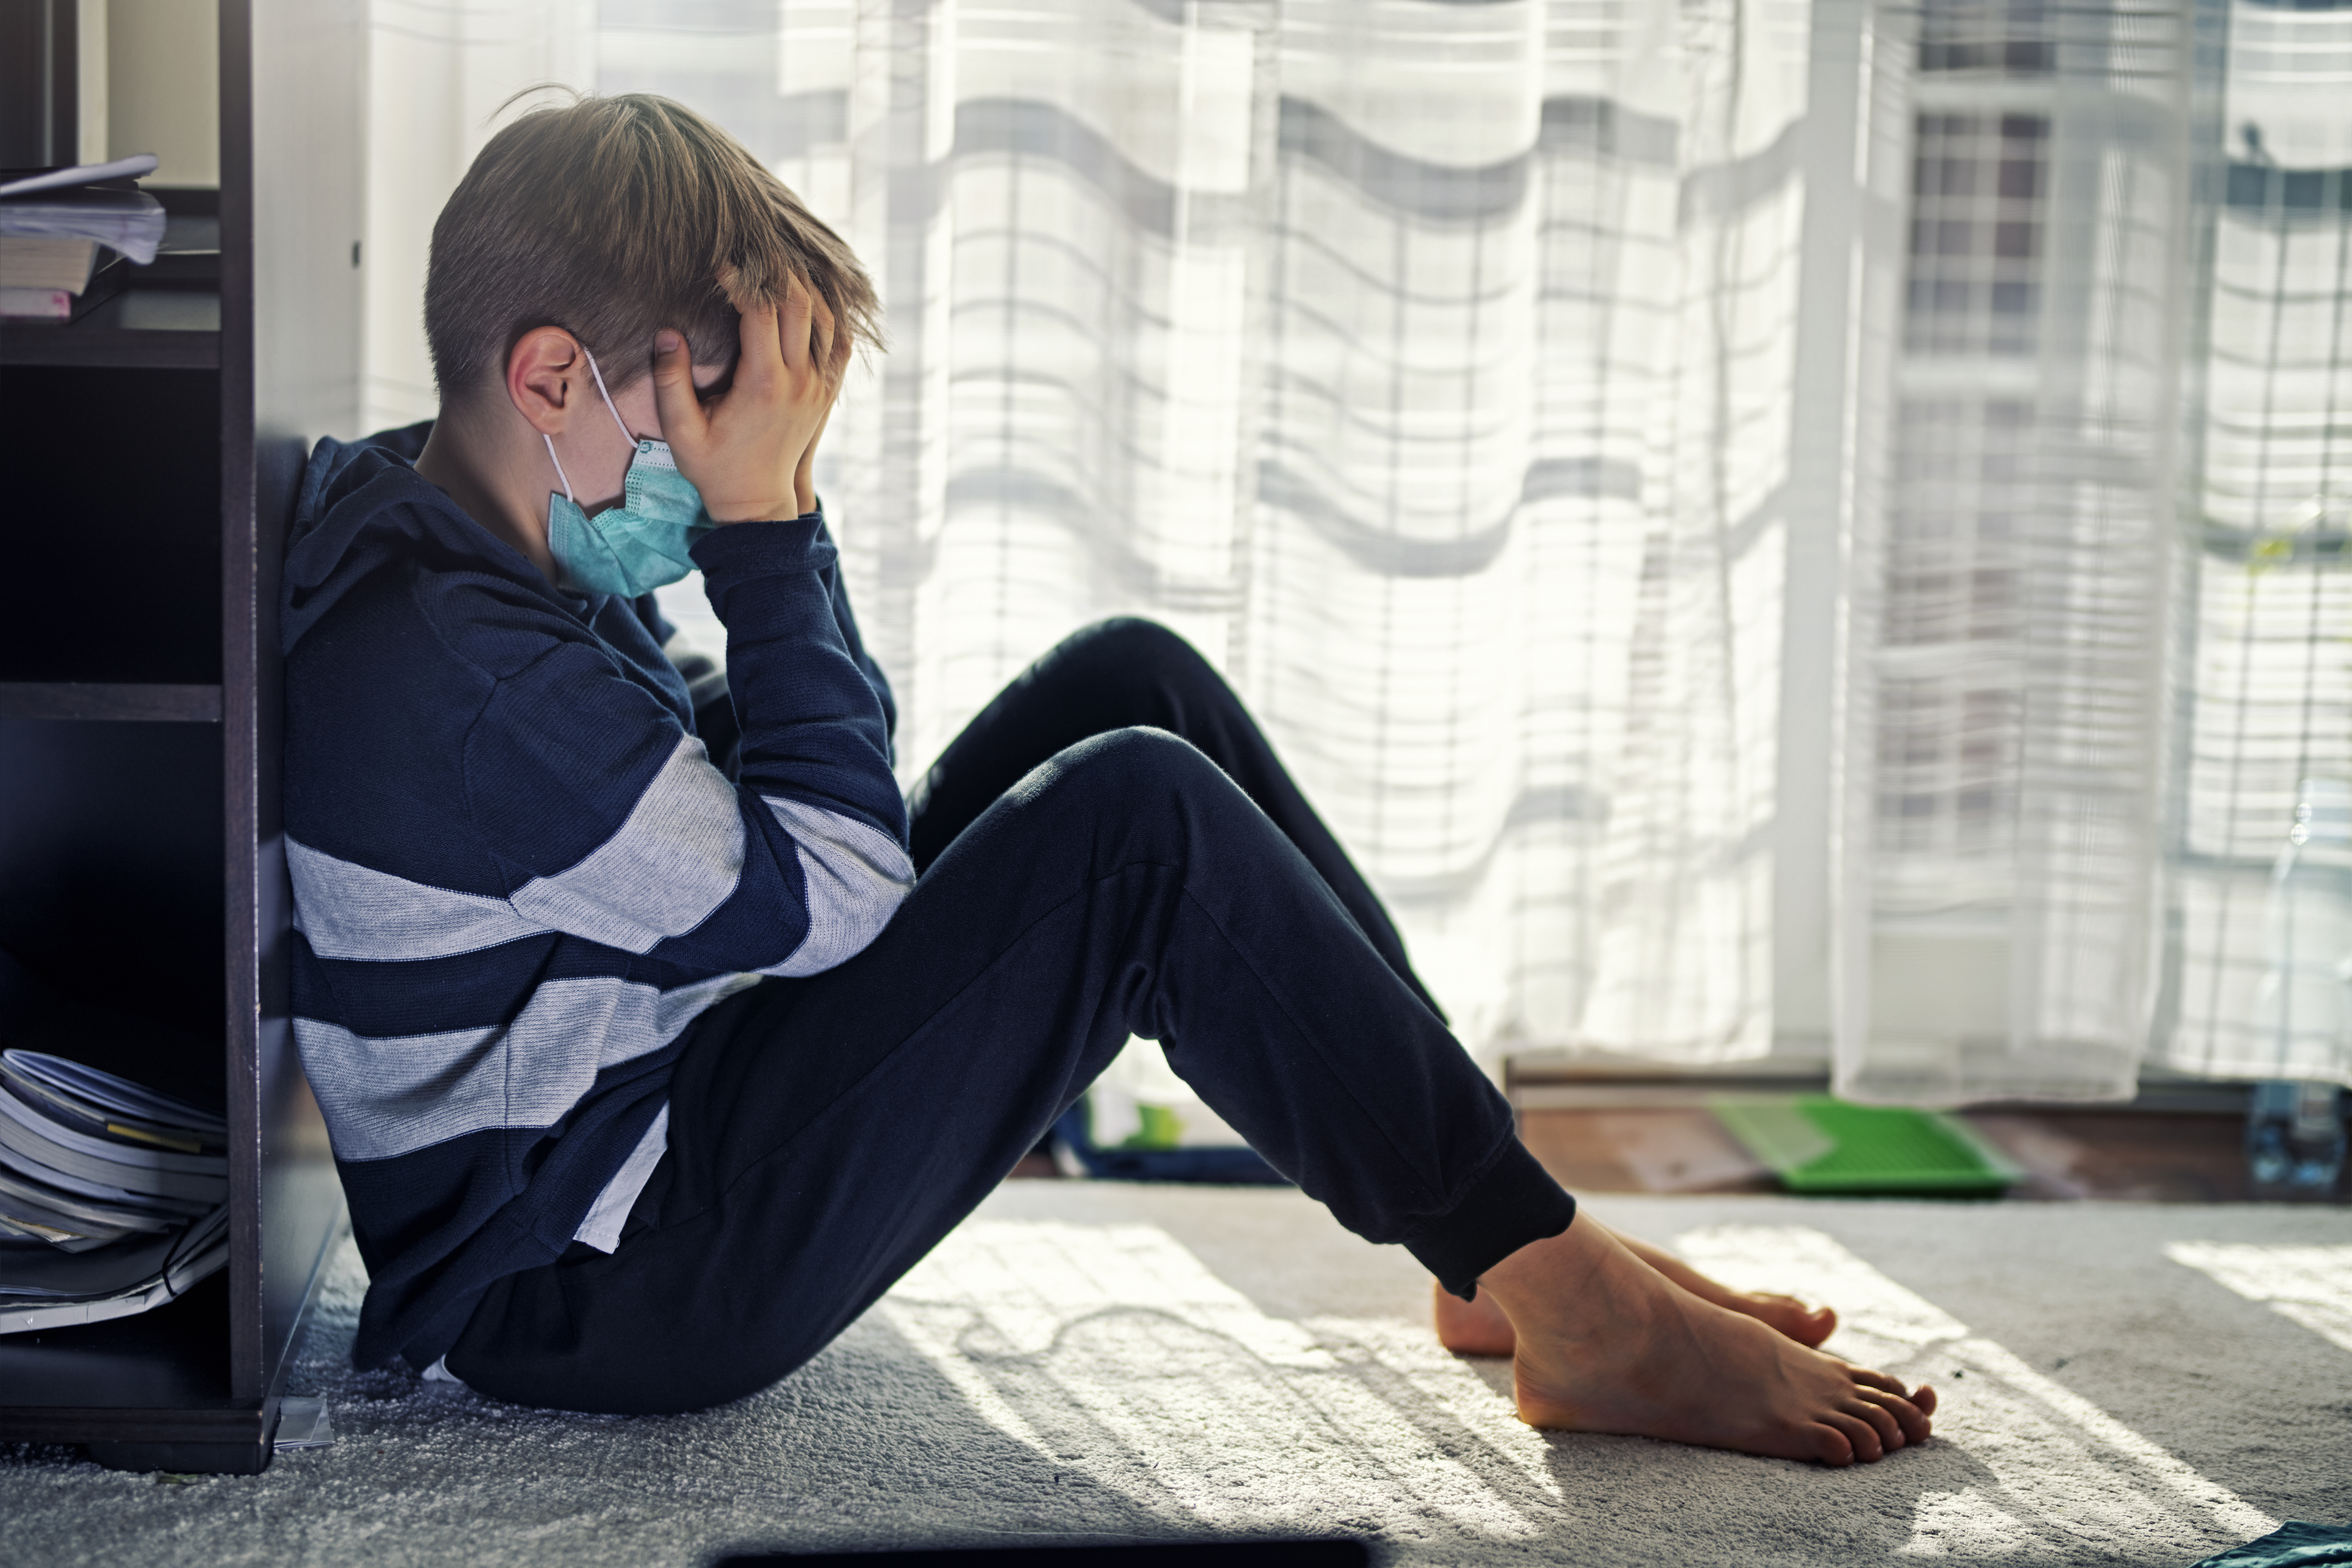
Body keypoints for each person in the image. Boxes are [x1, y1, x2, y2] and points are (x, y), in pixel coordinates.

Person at [281, 92, 1934, 1467]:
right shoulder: (466, 676)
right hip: (599, 1276)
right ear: (551, 380)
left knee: (1129, 681)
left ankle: (1498, 1242)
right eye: (709, 424)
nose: (726, 476)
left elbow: (762, 771)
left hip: (663, 1084)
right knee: (1136, 829)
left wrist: (776, 517)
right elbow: (837, 889)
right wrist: (769, 531)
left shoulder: (479, 536)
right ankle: (1574, 1302)